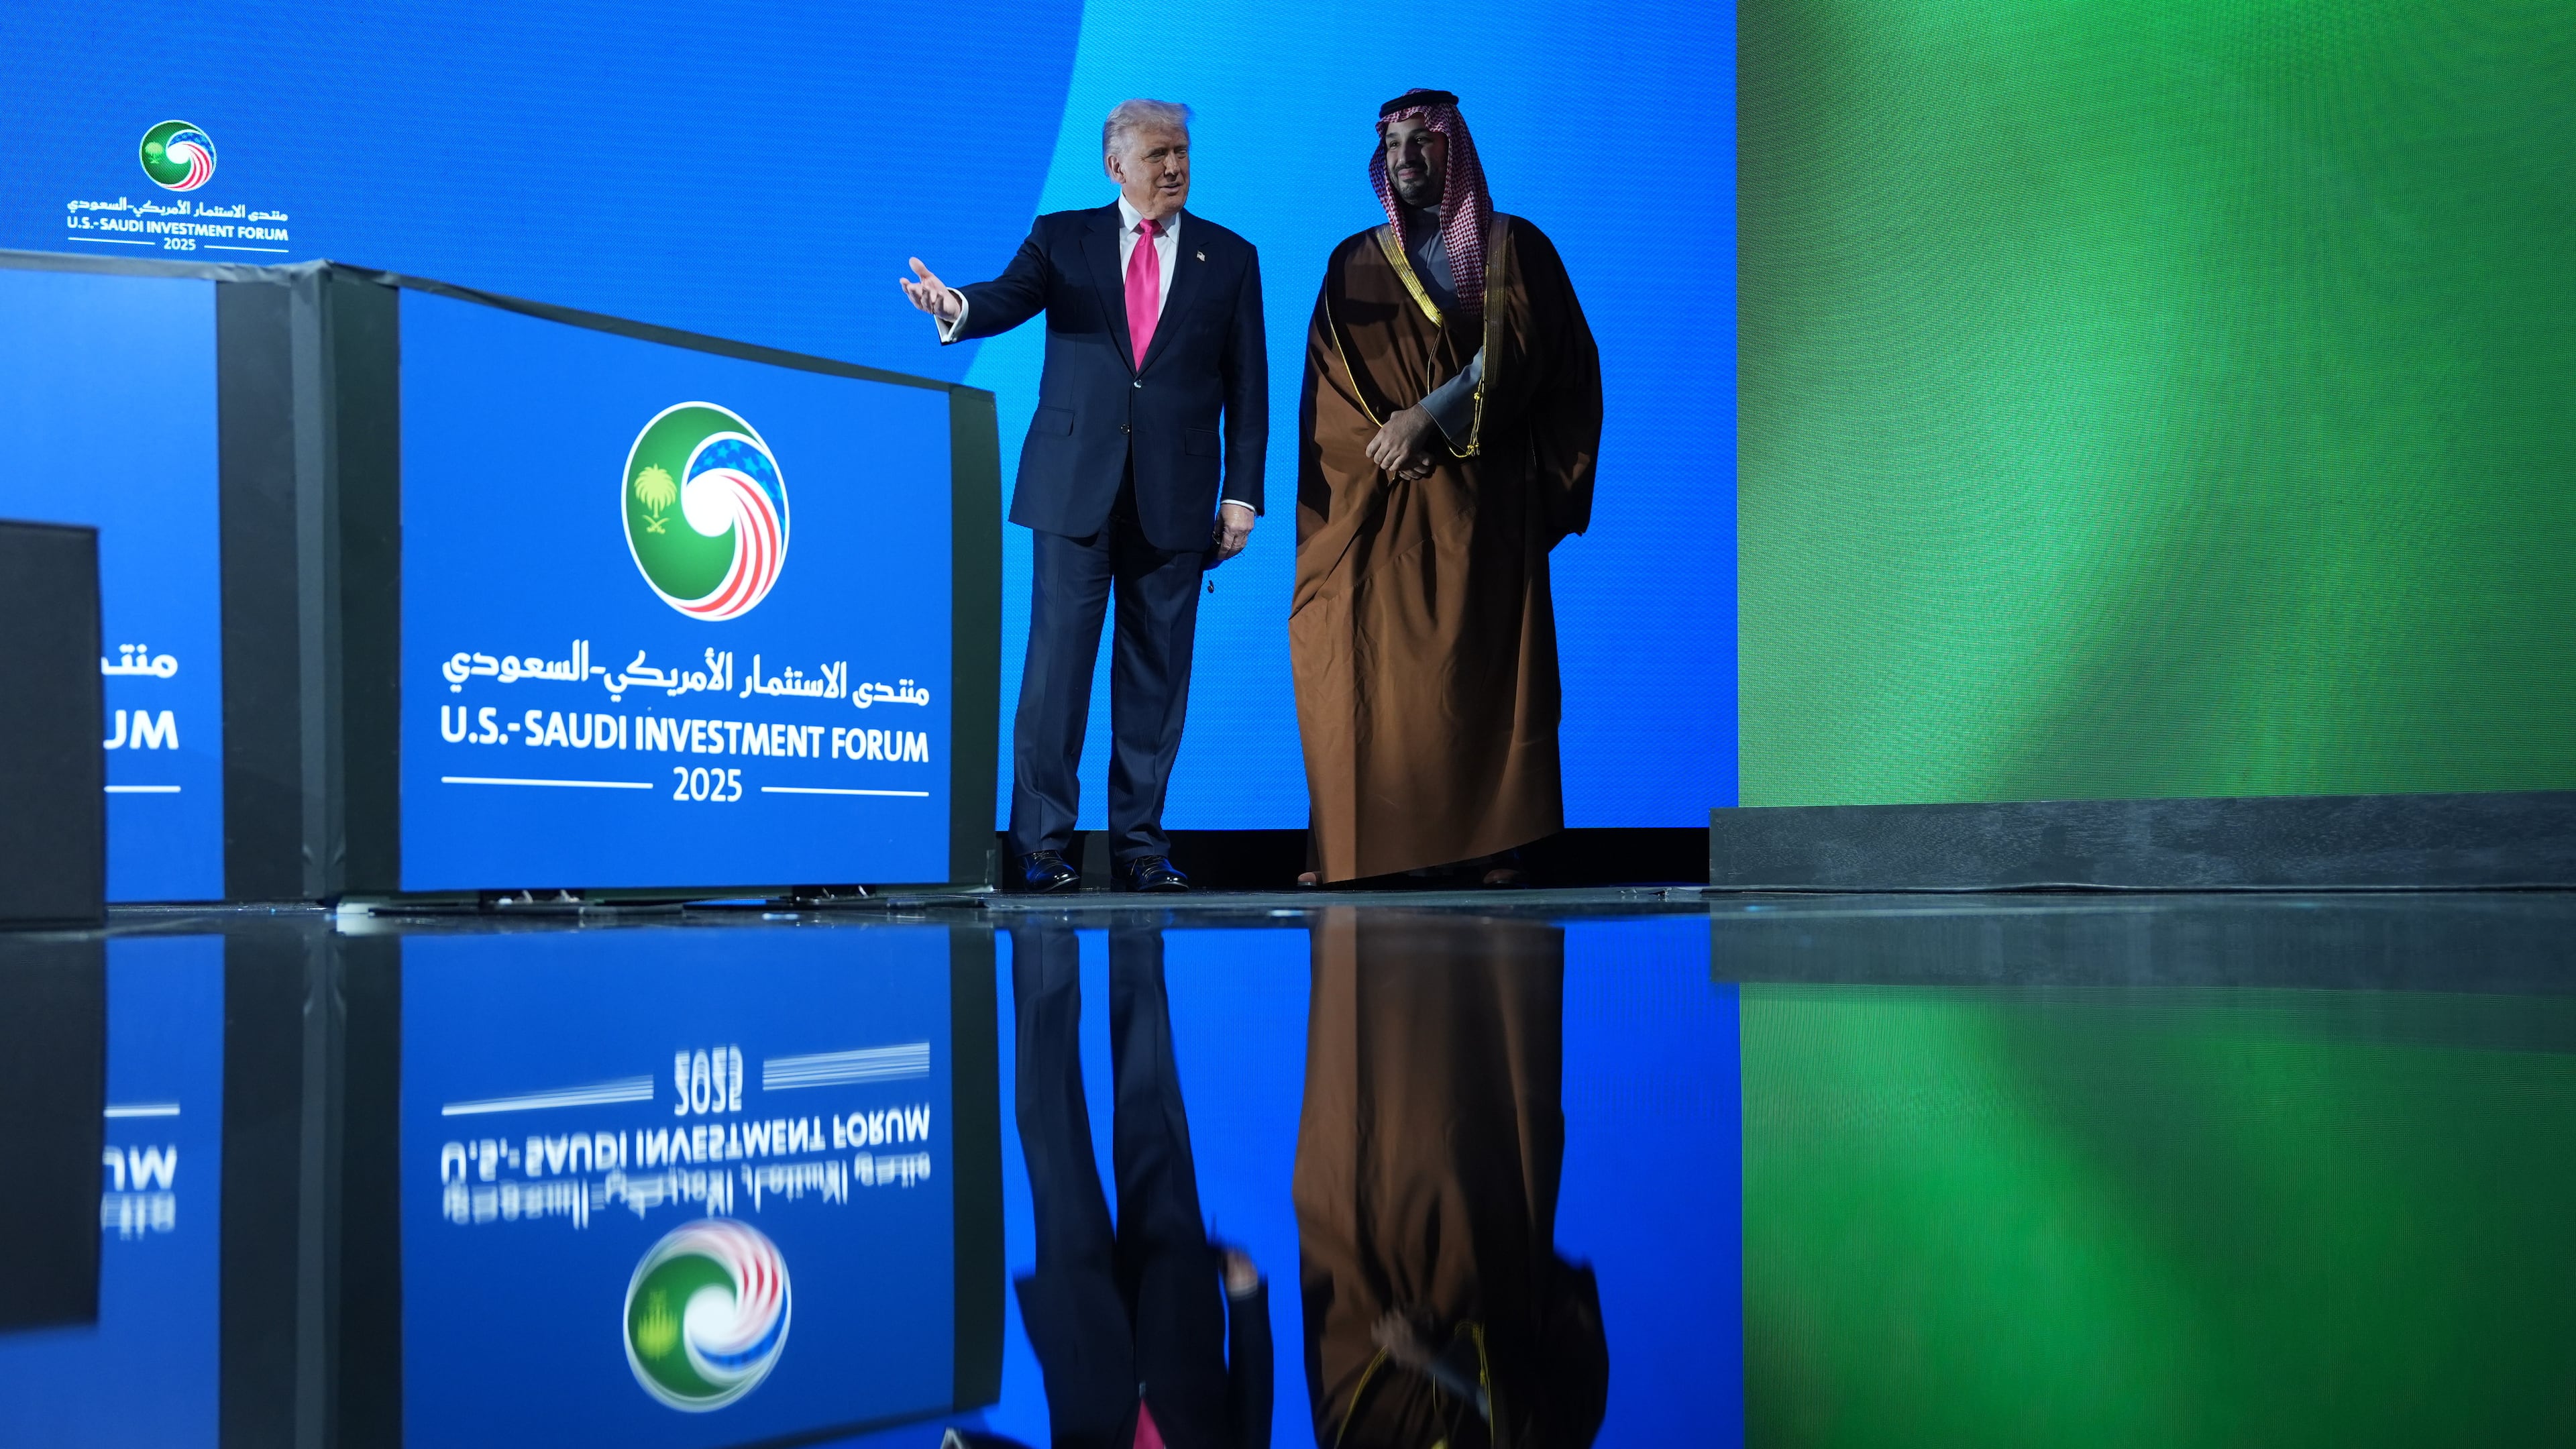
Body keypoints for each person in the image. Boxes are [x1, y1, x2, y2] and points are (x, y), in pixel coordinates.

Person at [903, 99, 1267, 894]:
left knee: (1155, 681)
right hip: (1074, 491)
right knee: (1056, 677)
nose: (1174, 168)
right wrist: (954, 305)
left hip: (1176, 496)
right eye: (1158, 155)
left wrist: (1241, 496)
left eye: (1182, 153)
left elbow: (1248, 384)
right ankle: (1040, 849)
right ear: (1116, 167)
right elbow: (1007, 297)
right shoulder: (1063, 236)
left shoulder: (1230, 257)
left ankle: (1140, 849)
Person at [1289, 90, 1602, 888]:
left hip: (1479, 505)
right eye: (1393, 145)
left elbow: (1530, 349)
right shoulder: (1352, 261)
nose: (1407, 157)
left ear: (1455, 151)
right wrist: (1388, 443)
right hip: (1382, 504)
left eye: (1422, 142)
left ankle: (1487, 845)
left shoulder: (1511, 247)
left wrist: (1428, 418)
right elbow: (1330, 383)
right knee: (1364, 670)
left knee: (1475, 677)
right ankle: (1365, 849)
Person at [953, 920, 1273, 1449]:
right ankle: (1137, 926)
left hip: (1085, 1346)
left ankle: (1040, 942)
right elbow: (1253, 1419)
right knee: (1151, 1098)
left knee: (1052, 1125)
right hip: (1181, 1319)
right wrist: (1246, 1302)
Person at [1293, 910, 1607, 1448]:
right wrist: (1439, 1360)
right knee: (1457, 1118)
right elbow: (1553, 1402)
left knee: (1363, 1102)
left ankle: (1352, 905)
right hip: (1473, 1250)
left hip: (1369, 1258)